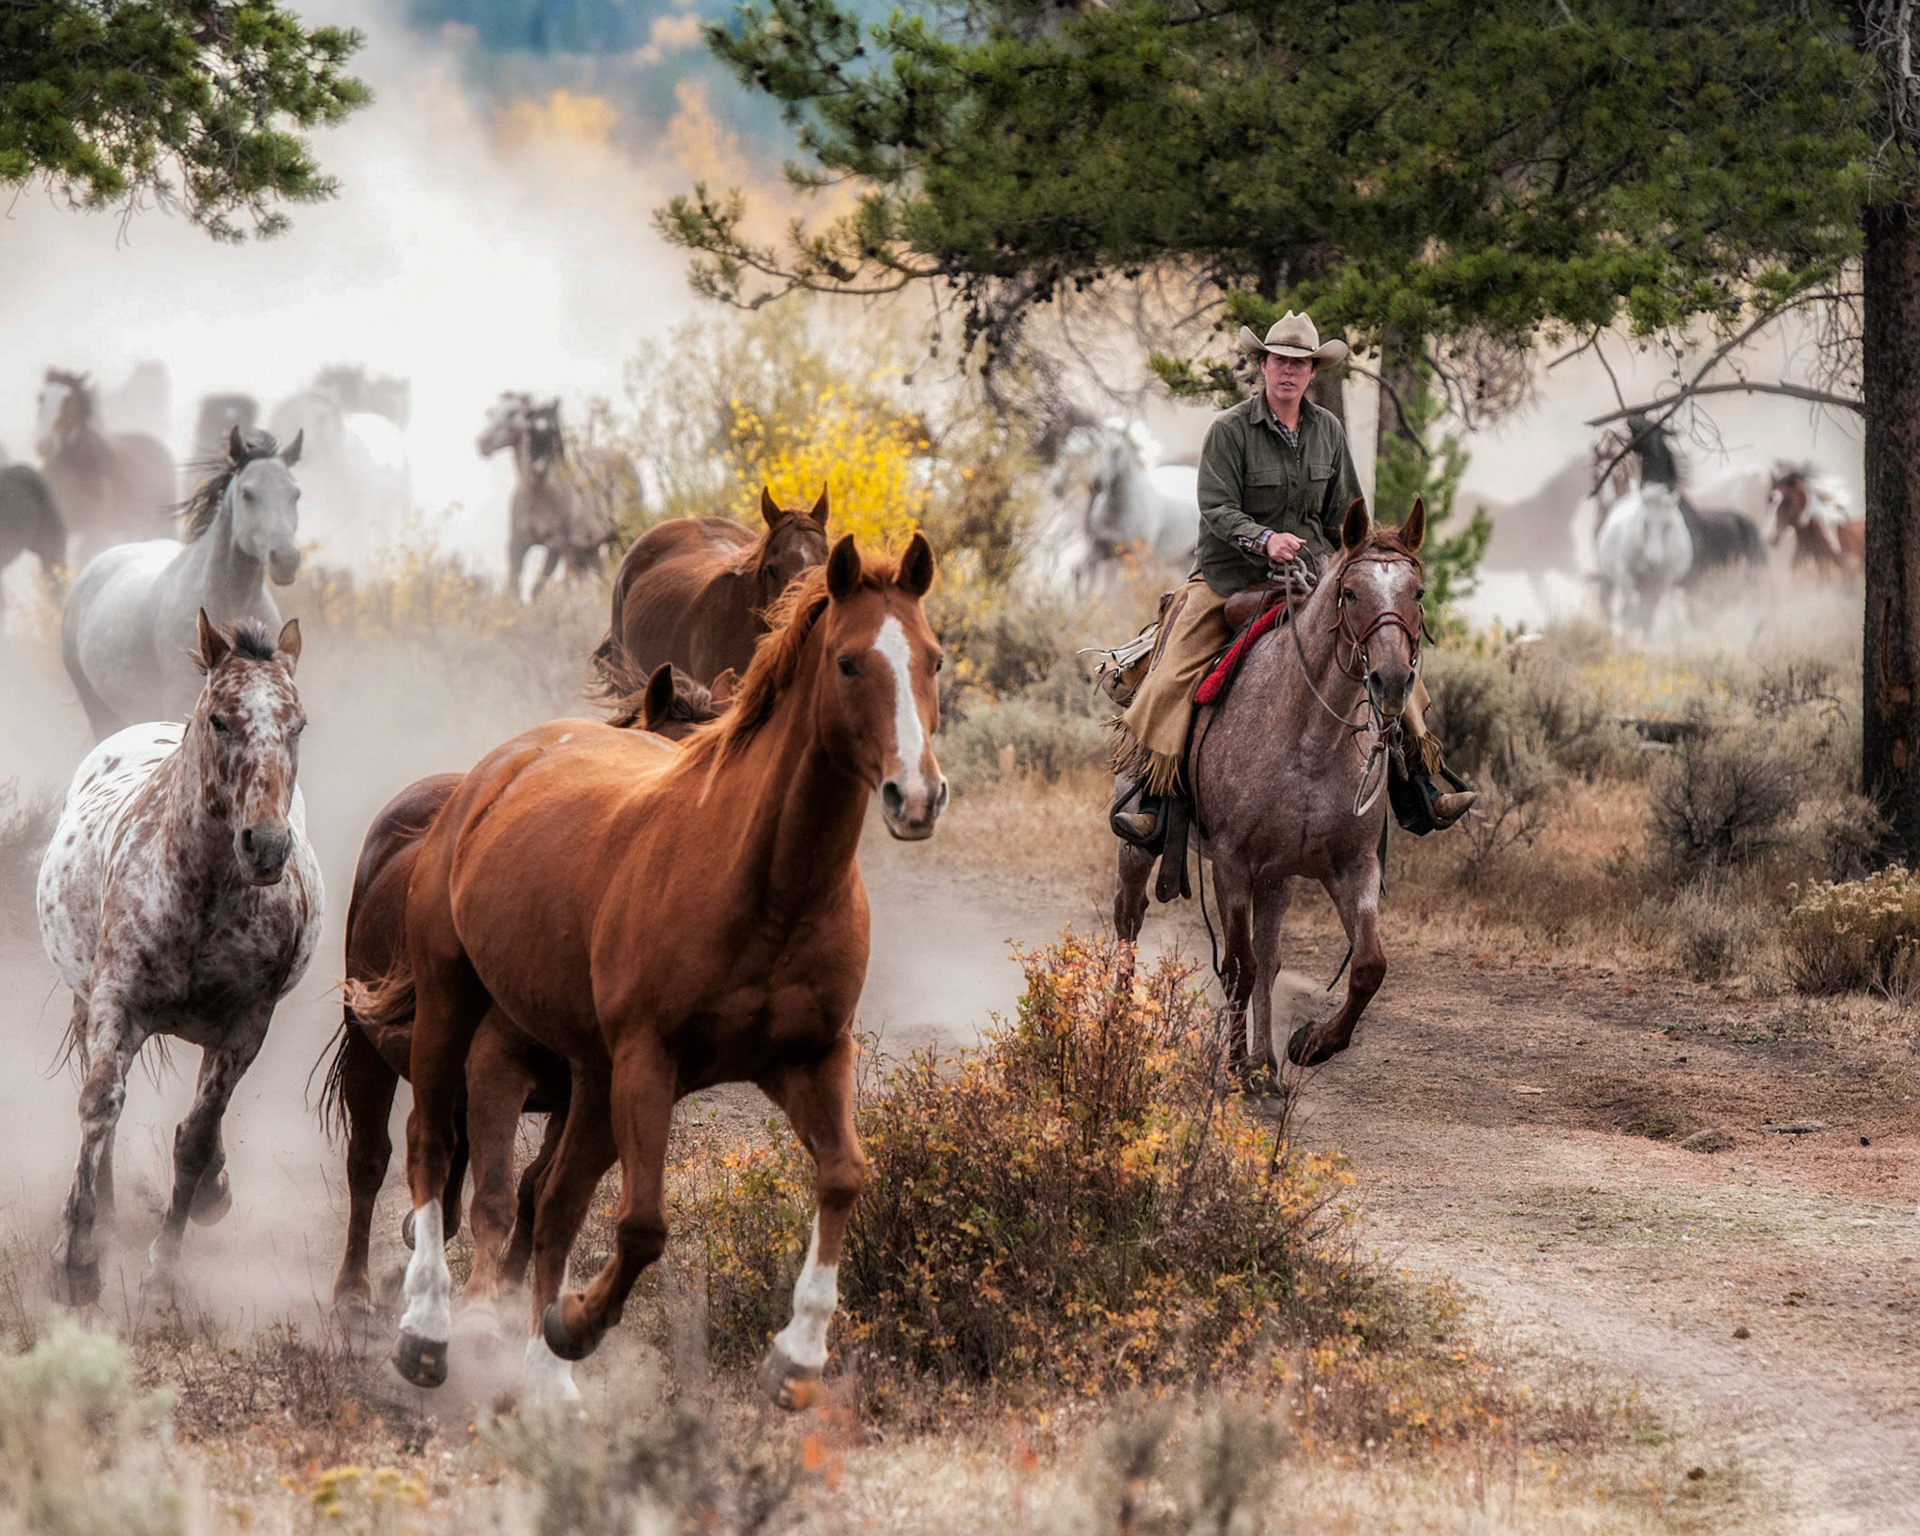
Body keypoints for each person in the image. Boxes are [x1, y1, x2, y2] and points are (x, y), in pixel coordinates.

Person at [1109, 311, 1476, 843]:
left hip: (1312, 580)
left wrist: (1354, 560)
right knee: (1171, 675)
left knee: (1391, 659)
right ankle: (1153, 801)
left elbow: (1346, 514)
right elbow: (1215, 506)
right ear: (1262, 365)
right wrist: (1264, 539)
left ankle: (1418, 784)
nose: (1288, 371)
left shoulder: (1328, 431)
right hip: (1228, 579)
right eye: (1279, 360)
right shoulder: (1230, 430)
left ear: (1312, 373)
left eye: (1300, 364)